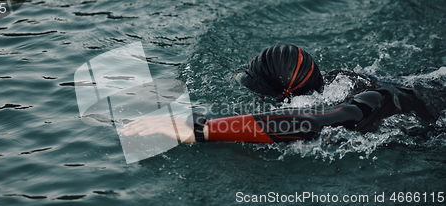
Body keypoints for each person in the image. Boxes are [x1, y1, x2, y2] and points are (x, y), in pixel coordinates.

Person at [120, 44, 442, 143]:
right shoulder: (339, 81)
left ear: (285, 95)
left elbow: (307, 122)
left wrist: (203, 128)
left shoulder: (366, 102)